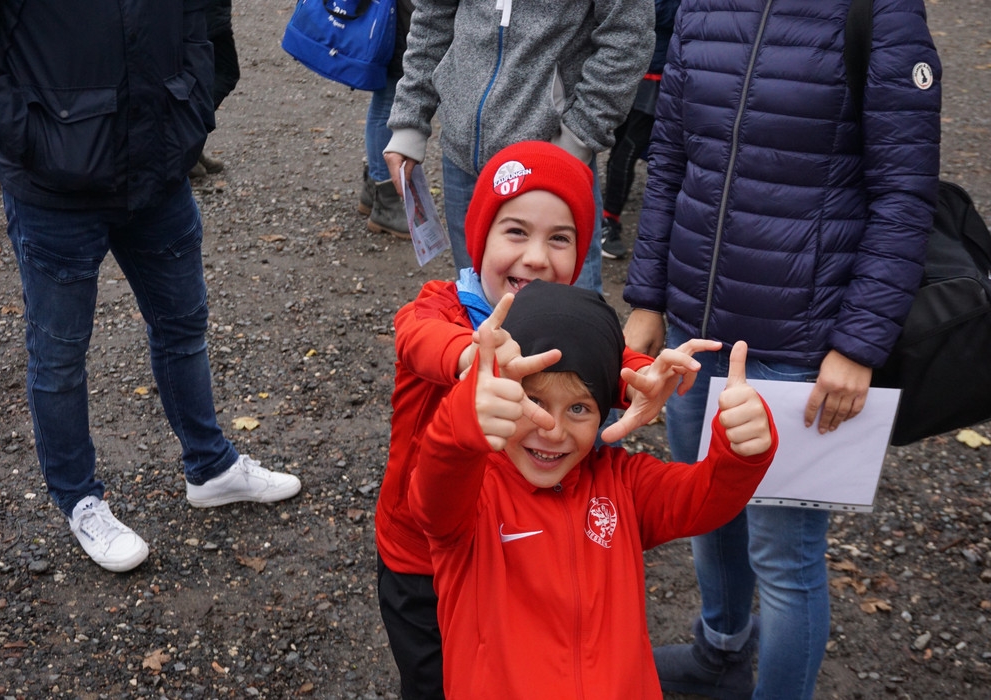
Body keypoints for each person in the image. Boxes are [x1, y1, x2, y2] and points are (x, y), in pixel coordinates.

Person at [622, 0, 942, 697]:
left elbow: (904, 195)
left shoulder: (879, 12)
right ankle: (720, 655)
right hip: (695, 332)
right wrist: (647, 299)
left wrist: (858, 343)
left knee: (786, 560)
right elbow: (670, 158)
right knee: (709, 511)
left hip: (801, 346)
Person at [375, 140, 715, 699]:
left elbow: (602, 360)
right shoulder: (438, 308)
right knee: (432, 679)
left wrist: (641, 375)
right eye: (516, 231)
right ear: (479, 237)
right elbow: (419, 339)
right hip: (420, 549)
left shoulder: (563, 320)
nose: (536, 257)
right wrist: (472, 358)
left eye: (559, 238)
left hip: (504, 546)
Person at [0, 0, 302, 574]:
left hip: (158, 170)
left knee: (183, 325)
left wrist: (189, 112)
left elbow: (204, 21)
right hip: (54, 191)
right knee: (59, 357)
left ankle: (210, 467)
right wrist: (29, 136)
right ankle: (80, 500)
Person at [408, 280, 778, 699]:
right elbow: (432, 494)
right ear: (499, 396)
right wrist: (462, 419)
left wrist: (741, 450)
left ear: (604, 412)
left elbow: (704, 499)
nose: (553, 430)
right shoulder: (472, 493)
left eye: (579, 408)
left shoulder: (621, 483)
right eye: (534, 402)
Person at [382, 0, 656, 291]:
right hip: (462, 162)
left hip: (553, 167)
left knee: (563, 311)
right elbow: (433, 14)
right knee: (479, 302)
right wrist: (410, 119)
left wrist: (575, 142)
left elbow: (628, 36)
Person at [599, 0, 681, 260]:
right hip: (630, 72)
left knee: (628, 150)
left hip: (656, 76)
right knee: (619, 147)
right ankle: (603, 220)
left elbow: (671, 16)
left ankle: (607, 221)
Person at [358, 0, 414, 239]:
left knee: (385, 100)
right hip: (399, 16)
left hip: (395, 14)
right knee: (389, 102)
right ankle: (385, 202)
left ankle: (374, 189)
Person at [190, 0, 241, 178]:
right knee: (224, 73)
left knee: (196, 75)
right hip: (204, 11)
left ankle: (191, 147)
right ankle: (184, 145)